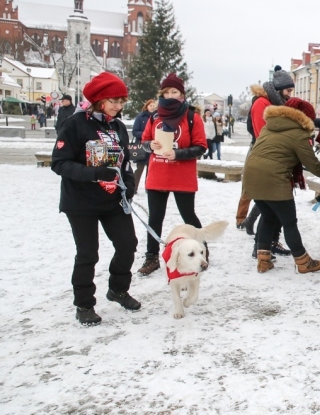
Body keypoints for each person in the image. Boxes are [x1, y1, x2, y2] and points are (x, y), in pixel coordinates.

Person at [50, 71, 140, 326]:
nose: (118, 106)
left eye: (122, 101)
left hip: (112, 200)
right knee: (88, 253)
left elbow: (124, 163)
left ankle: (118, 289)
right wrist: (93, 173)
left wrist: (129, 184)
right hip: (81, 202)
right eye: (113, 101)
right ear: (99, 100)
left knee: (127, 244)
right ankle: (84, 303)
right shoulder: (76, 124)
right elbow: (59, 163)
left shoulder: (118, 126)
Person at [242, 97, 320, 273]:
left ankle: (263, 260)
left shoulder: (270, 126)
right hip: (274, 179)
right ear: (304, 118)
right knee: (289, 222)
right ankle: (303, 262)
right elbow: (313, 165)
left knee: (268, 217)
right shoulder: (298, 134)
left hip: (252, 178)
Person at [137, 73, 208, 275]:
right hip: (158, 175)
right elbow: (144, 142)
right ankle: (151, 258)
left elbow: (201, 146)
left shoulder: (192, 117)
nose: (170, 95)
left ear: (182, 94)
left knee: (189, 217)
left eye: (174, 91)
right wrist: (149, 145)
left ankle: (202, 251)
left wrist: (178, 153)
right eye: (166, 92)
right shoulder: (154, 117)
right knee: (155, 218)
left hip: (182, 176)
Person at [236, 66, 294, 259]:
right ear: (278, 89)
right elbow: (264, 134)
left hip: (273, 154)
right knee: (269, 200)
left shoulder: (274, 102)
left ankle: (267, 241)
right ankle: (259, 242)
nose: (289, 94)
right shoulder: (262, 103)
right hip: (265, 154)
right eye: (288, 90)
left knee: (272, 201)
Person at [131, 99, 157, 194]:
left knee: (151, 168)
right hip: (141, 146)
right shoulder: (140, 117)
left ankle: (149, 188)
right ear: (147, 106)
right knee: (139, 168)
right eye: (151, 105)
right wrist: (146, 135)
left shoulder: (157, 117)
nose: (153, 107)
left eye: (154, 105)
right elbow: (135, 131)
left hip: (153, 146)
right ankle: (133, 188)